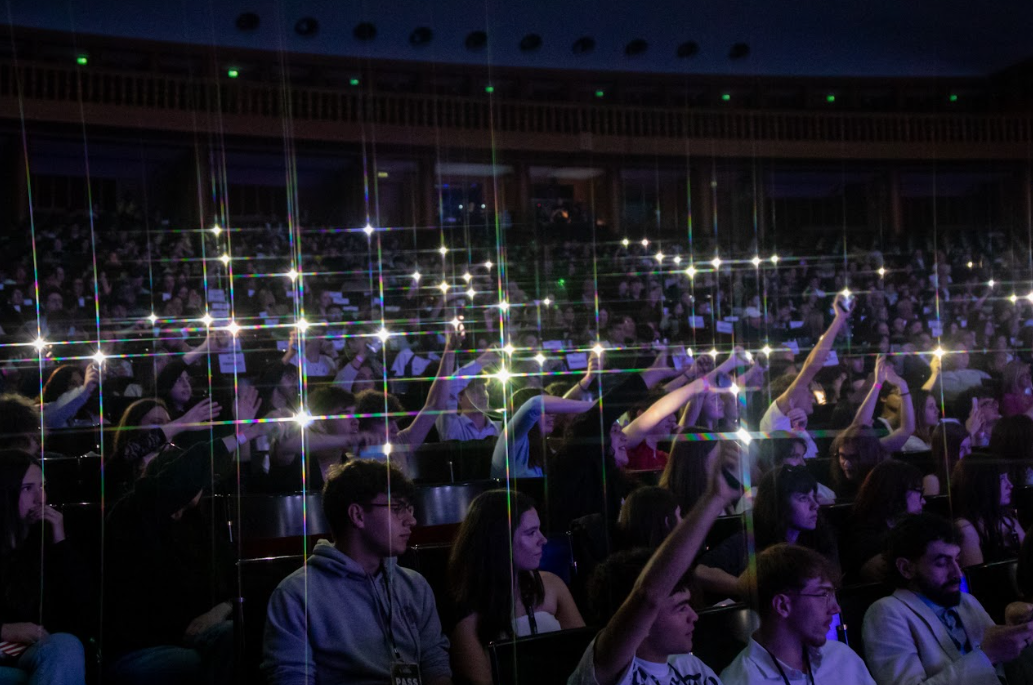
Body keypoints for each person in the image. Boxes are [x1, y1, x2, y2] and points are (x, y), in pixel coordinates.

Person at [104, 385, 268, 685]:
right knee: (207, 655)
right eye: (157, 424)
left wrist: (224, 608)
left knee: (242, 633)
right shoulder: (132, 507)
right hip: (145, 644)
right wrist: (238, 435)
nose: (167, 434)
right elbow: (172, 477)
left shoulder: (198, 521)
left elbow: (235, 577)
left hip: (197, 636)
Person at [567, 435, 741, 685]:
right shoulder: (606, 671)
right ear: (643, 622)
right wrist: (714, 499)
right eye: (680, 607)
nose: (694, 616)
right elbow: (648, 595)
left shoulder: (692, 666)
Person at [263, 459, 452, 685]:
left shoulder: (414, 585)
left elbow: (435, 664)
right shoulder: (296, 595)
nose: (411, 520)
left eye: (409, 509)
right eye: (397, 509)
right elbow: (292, 678)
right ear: (357, 515)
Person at [863, 513, 1033, 685]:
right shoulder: (886, 613)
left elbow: (1001, 668)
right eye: (942, 563)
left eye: (957, 560)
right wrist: (986, 656)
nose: (957, 573)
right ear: (906, 568)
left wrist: (1019, 632)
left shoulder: (967, 602)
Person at [447, 490, 584, 685]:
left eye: (539, 530)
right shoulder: (467, 610)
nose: (543, 539)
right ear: (500, 540)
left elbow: (585, 660)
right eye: (531, 532)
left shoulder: (553, 585)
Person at [721, 544, 876, 685]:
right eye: (823, 594)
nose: (836, 609)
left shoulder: (842, 658)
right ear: (782, 605)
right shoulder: (740, 680)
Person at [0, 451, 87, 685]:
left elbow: (82, 608)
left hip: (29, 650)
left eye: (43, 486)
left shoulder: (43, 542)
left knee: (66, 646)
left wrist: (60, 541)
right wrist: (4, 630)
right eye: (28, 488)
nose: (41, 498)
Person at [695, 464, 838, 601]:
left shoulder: (819, 539)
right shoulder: (750, 540)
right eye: (803, 498)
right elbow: (698, 571)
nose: (815, 505)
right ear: (778, 503)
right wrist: (744, 587)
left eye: (814, 497)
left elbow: (834, 582)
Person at [759, 292, 852, 460]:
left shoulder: (796, 427)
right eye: (807, 390)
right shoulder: (775, 417)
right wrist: (839, 319)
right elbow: (811, 366)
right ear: (790, 396)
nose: (811, 395)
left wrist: (800, 430)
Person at [844, 459, 925, 583]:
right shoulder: (865, 537)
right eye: (919, 492)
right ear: (896, 493)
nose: (923, 501)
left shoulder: (911, 527)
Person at [490, 390, 593, 479]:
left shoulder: (538, 450)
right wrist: (591, 406)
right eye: (546, 409)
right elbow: (534, 404)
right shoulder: (511, 441)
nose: (552, 414)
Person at [953, 451, 1024, 567]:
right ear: (983, 485)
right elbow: (979, 575)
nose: (1010, 485)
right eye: (1002, 479)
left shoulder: (1006, 519)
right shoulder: (966, 529)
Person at [829, 424, 888, 500]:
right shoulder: (837, 483)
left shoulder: (884, 484)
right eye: (842, 456)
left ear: (870, 455)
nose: (846, 464)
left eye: (853, 458)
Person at [615, 486, 680, 551]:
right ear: (667, 522)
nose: (682, 520)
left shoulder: (622, 554)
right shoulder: (673, 556)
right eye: (679, 514)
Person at [924, 420, 971, 496]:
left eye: (969, 447)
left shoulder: (971, 476)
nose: (968, 453)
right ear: (948, 452)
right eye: (961, 449)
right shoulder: (932, 481)